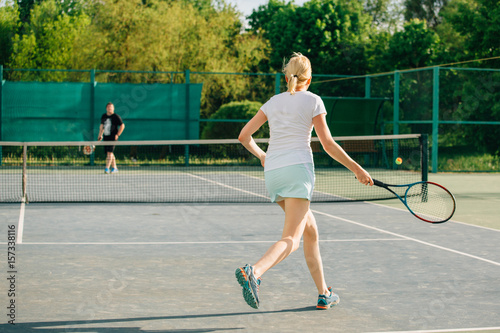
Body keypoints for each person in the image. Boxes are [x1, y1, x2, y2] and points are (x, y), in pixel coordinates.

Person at [235, 53, 374, 310]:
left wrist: (263, 155)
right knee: (292, 239)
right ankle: (254, 271)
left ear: (286, 77)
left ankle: (324, 293)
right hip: (297, 172)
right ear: (308, 79)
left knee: (310, 233)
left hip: (274, 173)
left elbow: (244, 136)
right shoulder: (314, 100)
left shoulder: (272, 102)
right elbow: (328, 144)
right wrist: (357, 169)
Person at [97, 102, 125, 174]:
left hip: (113, 137)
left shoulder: (116, 116)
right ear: (106, 108)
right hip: (106, 137)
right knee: (109, 153)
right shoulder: (104, 116)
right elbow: (102, 126)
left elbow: (122, 125)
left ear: (113, 108)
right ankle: (115, 167)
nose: (110, 109)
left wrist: (118, 134)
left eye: (112, 107)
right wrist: (100, 135)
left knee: (109, 153)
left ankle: (107, 168)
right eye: (109, 107)